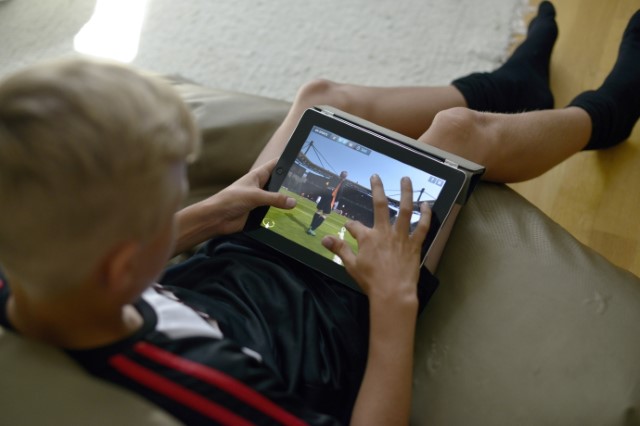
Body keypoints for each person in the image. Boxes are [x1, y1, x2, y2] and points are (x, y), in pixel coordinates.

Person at [0, 1, 638, 424]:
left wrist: (208, 215)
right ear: (118, 265)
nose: (184, 200)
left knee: (319, 100)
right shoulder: (215, 400)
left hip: (237, 254)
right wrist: (393, 299)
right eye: (170, 202)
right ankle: (604, 117)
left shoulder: (23, 281)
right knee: (458, 135)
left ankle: (512, 89)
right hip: (340, 310)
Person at [307, 171, 348, 236]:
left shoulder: (333, 178)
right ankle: (312, 229)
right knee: (325, 214)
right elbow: (340, 191)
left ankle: (311, 226)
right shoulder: (342, 182)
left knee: (318, 210)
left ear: (340, 174)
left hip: (325, 194)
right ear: (345, 177)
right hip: (331, 197)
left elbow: (325, 184)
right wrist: (336, 200)